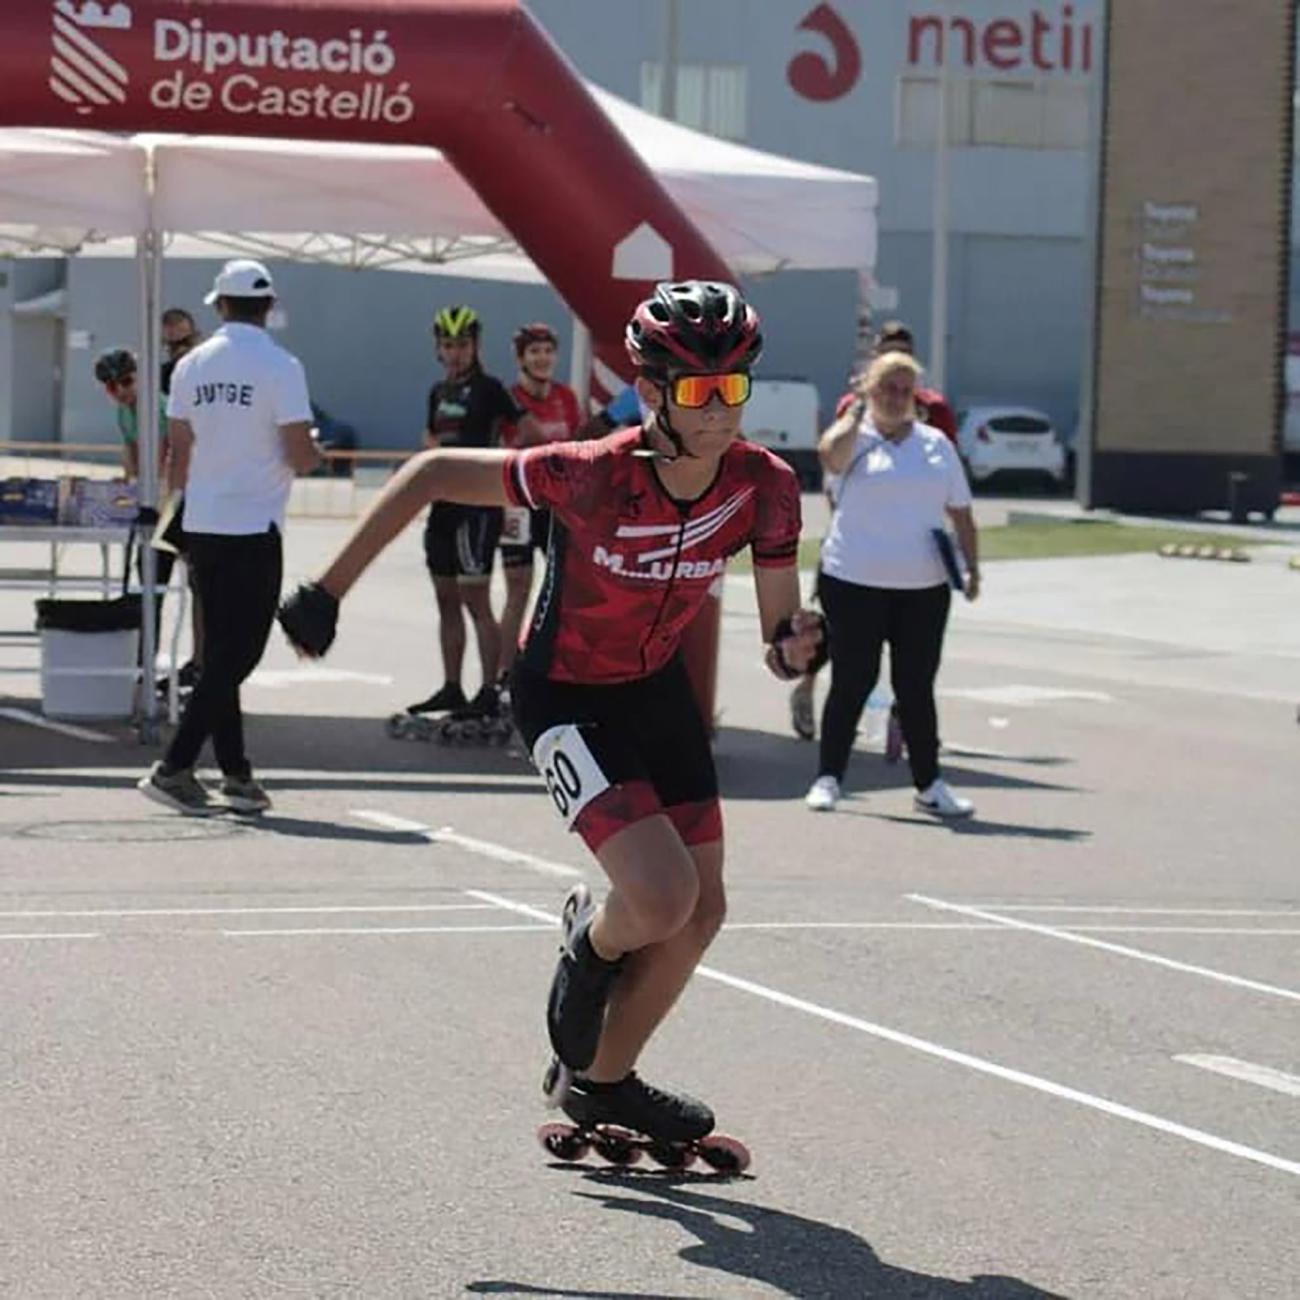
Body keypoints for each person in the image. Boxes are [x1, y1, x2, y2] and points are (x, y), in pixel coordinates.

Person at [277, 280, 825, 1145]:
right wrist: (324, 590)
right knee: (658, 897)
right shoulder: (590, 473)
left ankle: (602, 1084)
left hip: (656, 694)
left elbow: (778, 630)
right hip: (563, 692)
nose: (721, 413)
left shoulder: (767, 486)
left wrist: (799, 648)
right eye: (698, 392)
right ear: (651, 394)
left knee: (704, 909)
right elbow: (428, 476)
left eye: (734, 389)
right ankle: (588, 942)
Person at [138, 258, 321, 815]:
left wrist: (180, 510)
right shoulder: (282, 366)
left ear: (219, 305)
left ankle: (237, 773)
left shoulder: (191, 365)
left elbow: (178, 451)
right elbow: (298, 452)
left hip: (203, 522)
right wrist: (317, 451)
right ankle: (175, 765)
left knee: (219, 650)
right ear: (268, 306)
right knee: (238, 654)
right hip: (254, 525)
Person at [804, 350, 979, 817]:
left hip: (923, 586)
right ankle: (828, 777)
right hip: (853, 580)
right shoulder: (852, 439)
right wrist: (858, 414)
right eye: (887, 388)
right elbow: (830, 457)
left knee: (916, 687)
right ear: (868, 391)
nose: (897, 398)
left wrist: (972, 568)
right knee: (852, 681)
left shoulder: (934, 444)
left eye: (906, 390)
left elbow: (960, 510)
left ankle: (930, 783)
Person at [789, 318, 957, 744]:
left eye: (902, 348)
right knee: (840, 631)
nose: (892, 357)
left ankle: (905, 717)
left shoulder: (932, 407)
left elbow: (946, 467)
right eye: (886, 349)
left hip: (915, 546)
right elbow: (834, 462)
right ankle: (808, 686)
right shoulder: (855, 403)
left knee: (913, 649)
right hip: (856, 541)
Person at [406, 304, 537, 727]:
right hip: (441, 508)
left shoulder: (491, 388)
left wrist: (507, 474)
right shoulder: (436, 392)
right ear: (438, 349)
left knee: (476, 600)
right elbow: (431, 438)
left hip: (477, 510)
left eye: (462, 344)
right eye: (448, 345)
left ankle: (489, 688)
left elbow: (526, 434)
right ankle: (451, 685)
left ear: (475, 345)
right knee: (446, 601)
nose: (455, 353)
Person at [498, 322, 582, 679]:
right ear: (521, 358)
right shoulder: (510, 399)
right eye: (534, 351)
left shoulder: (566, 397)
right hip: (517, 503)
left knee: (566, 589)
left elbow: (577, 445)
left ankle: (552, 667)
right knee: (518, 589)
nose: (543, 358)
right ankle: (505, 674)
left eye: (548, 350)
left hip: (555, 507)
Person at [160, 307, 202, 396]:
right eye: (174, 345)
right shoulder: (159, 379)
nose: (182, 350)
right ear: (164, 344)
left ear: (196, 338)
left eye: (186, 341)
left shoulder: (210, 370)